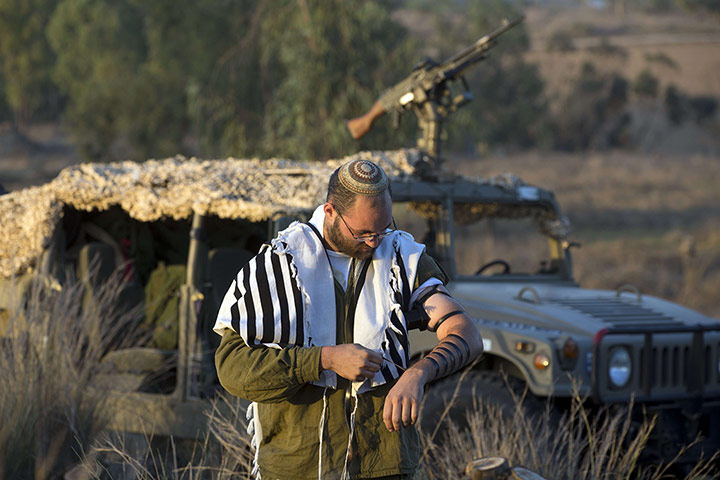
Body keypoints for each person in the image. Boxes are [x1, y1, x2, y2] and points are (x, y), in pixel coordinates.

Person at [214, 158, 483, 480]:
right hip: (297, 465)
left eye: (383, 229)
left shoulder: (403, 258)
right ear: (330, 212)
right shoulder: (276, 265)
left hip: (382, 464)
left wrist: (418, 374)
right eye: (363, 232)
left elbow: (465, 334)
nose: (374, 242)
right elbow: (233, 368)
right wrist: (323, 359)